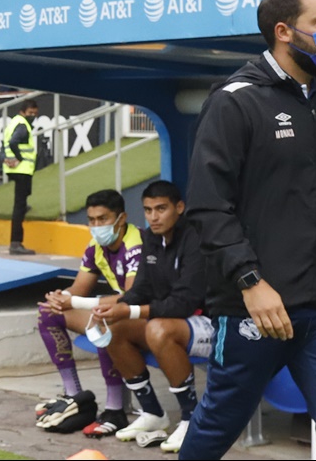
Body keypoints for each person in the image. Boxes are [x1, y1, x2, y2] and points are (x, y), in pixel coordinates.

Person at [180, 0, 316, 459]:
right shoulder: (235, 101)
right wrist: (251, 281)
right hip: (256, 305)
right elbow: (208, 203)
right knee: (218, 427)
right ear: (284, 31)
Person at [88, 181, 208, 453]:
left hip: (212, 324)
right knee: (114, 328)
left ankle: (192, 418)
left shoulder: (195, 238)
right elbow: (141, 288)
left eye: (161, 209)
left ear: (179, 208)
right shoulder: (152, 237)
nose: (154, 216)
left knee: (157, 330)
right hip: (172, 321)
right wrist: (114, 308)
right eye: (148, 210)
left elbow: (184, 302)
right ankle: (153, 413)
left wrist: (129, 309)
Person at [35, 189, 143, 437]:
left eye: (102, 219)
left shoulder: (136, 244)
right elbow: (79, 289)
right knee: (47, 312)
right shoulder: (96, 245)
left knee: (102, 320)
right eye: (92, 220)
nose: (96, 226)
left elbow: (133, 294)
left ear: (121, 218)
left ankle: (115, 410)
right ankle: (75, 398)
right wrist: (60, 298)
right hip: (117, 309)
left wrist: (82, 302)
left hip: (144, 312)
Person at [3, 98, 39, 256]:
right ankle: (16, 243)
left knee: (22, 200)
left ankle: (25, 208)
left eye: (35, 114)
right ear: (22, 112)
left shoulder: (13, 122)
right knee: (19, 205)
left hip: (15, 169)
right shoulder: (22, 126)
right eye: (30, 113)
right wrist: (20, 158)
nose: (33, 116)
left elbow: (4, 144)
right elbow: (13, 142)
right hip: (21, 169)